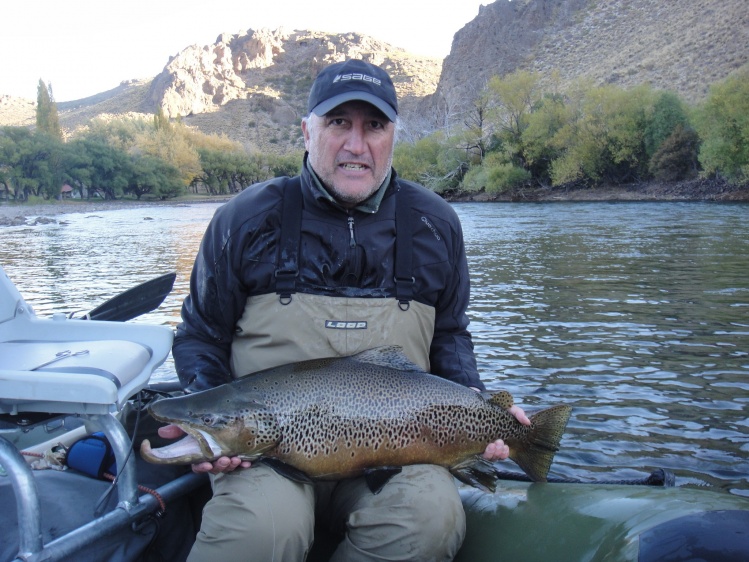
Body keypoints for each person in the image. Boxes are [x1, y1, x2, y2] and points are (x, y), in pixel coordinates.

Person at [163, 58, 530, 562]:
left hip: (399, 454)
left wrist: (475, 400)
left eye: (373, 126)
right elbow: (200, 335)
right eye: (338, 123)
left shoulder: (435, 224)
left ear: (393, 136)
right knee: (260, 531)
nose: (356, 145)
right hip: (268, 457)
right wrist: (214, 418)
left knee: (432, 517)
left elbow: (449, 335)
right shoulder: (245, 219)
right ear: (307, 132)